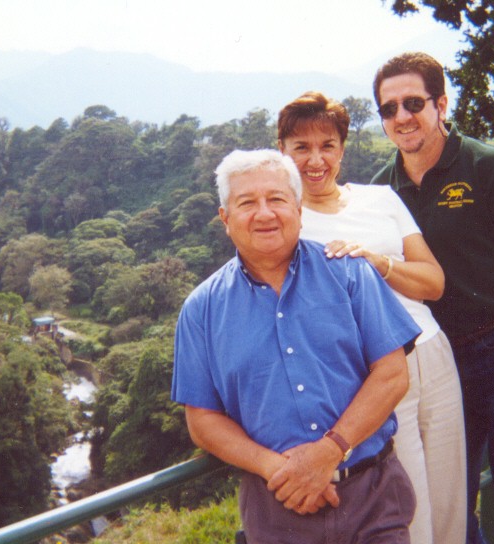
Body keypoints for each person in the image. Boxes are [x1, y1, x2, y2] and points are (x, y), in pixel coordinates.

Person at [371, 51, 494, 544]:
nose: (401, 117)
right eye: (388, 108)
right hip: (438, 364)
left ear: (441, 104)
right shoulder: (380, 194)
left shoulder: (490, 168)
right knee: (448, 518)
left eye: (413, 102)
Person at [171, 149, 421, 544]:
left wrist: (328, 452)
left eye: (277, 199)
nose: (265, 213)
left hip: (372, 497)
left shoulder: (350, 271)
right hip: (277, 509)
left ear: (299, 208)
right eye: (247, 203)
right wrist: (278, 468)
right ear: (225, 219)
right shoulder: (201, 310)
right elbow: (202, 419)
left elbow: (392, 375)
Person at [277, 90, 467, 544]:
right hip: (373, 374)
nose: (315, 160)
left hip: (432, 351)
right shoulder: (286, 221)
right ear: (282, 152)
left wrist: (377, 262)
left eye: (327, 146)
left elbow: (433, 282)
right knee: (409, 508)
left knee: (452, 501)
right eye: (301, 148)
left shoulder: (381, 198)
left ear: (343, 149)